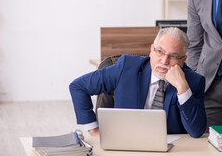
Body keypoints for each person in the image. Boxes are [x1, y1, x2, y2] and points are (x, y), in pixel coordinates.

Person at [69, 27, 207, 138]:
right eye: (160, 52)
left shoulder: (194, 82)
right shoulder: (127, 67)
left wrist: (182, 88)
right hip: (125, 144)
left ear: (183, 60)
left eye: (174, 56)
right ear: (151, 50)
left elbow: (196, 131)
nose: (164, 61)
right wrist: (93, 129)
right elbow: (78, 86)